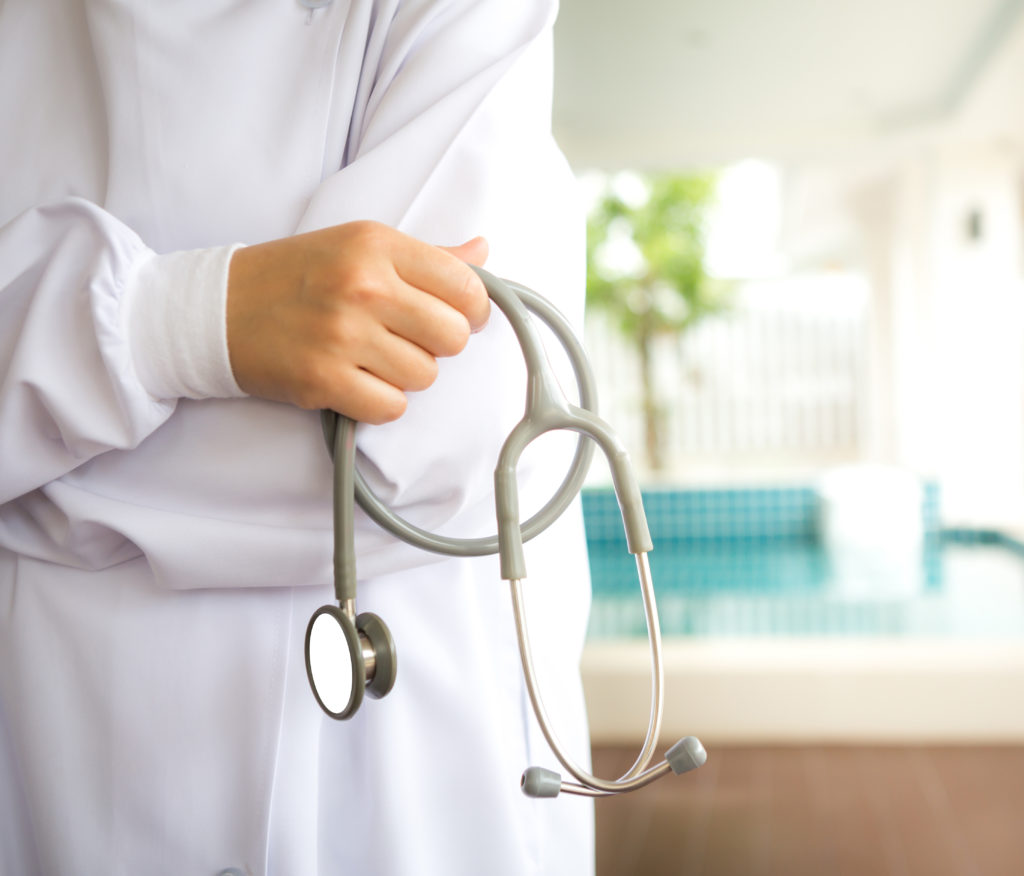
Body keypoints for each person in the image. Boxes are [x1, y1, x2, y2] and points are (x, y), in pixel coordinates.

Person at [0, 1, 595, 873]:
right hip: (67, 745)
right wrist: (190, 322)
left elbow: (416, 464)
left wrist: (43, 435)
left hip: (400, 768)